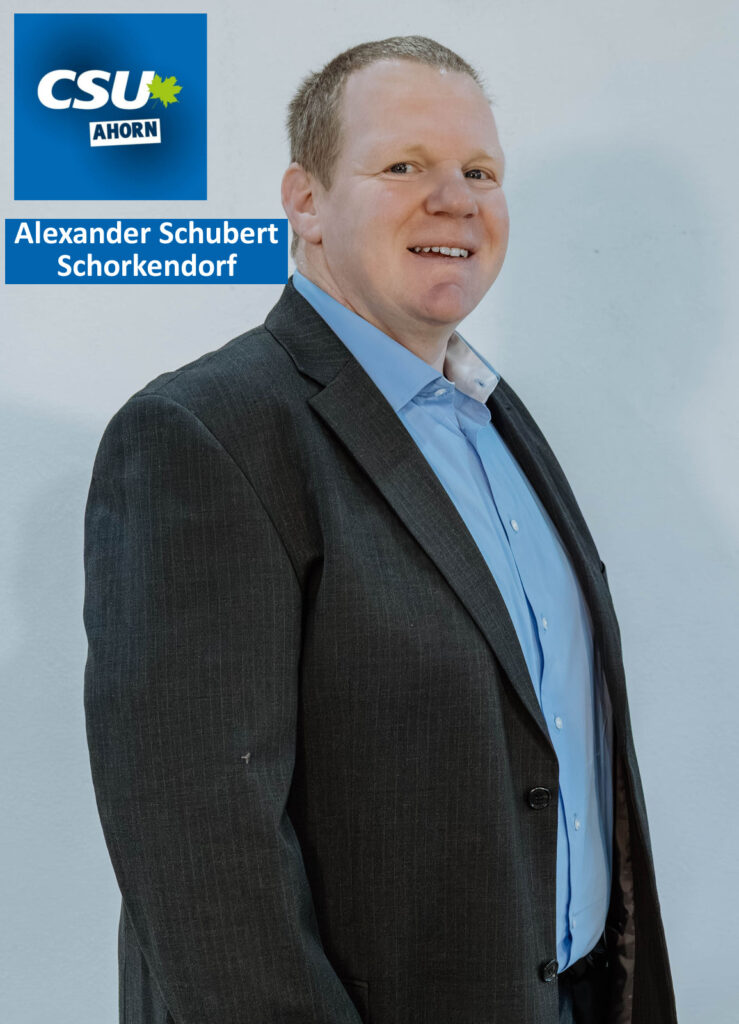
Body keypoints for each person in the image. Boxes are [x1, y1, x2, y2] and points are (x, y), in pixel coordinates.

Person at [83, 36, 677, 1024]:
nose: (454, 200)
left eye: (479, 171)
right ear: (305, 202)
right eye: (403, 165)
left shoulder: (494, 417)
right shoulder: (206, 434)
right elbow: (204, 868)